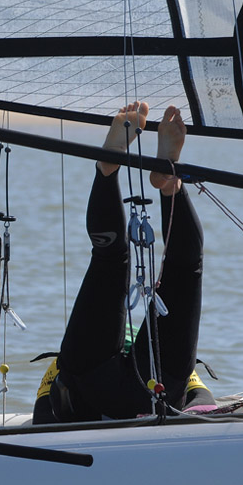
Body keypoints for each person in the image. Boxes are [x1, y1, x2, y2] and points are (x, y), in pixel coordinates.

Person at [33, 101, 209, 423]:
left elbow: (46, 410)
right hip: (159, 389)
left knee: (116, 260)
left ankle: (110, 170)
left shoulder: (59, 364)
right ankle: (165, 183)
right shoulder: (184, 368)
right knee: (178, 270)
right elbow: (203, 403)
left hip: (94, 387)